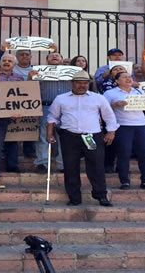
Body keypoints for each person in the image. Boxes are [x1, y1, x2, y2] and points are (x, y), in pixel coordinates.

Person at [46, 70, 116, 207]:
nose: (82, 85)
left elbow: (109, 116)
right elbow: (52, 117)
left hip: (92, 136)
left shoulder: (98, 98)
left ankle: (101, 195)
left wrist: (111, 132)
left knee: (97, 166)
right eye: (78, 82)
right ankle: (74, 198)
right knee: (70, 167)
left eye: (85, 83)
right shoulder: (61, 98)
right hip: (69, 136)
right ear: (72, 83)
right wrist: (49, 134)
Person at [104, 71, 145, 190]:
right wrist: (115, 104)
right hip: (123, 126)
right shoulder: (110, 93)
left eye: (130, 77)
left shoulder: (139, 91)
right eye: (124, 77)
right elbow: (104, 109)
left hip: (142, 125)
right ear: (117, 81)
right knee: (124, 154)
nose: (128, 79)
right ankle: (124, 181)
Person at [29, 51, 67, 174]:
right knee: (43, 135)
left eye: (57, 55)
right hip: (46, 106)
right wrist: (30, 77)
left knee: (65, 136)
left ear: (62, 60)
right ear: (47, 60)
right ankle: (42, 163)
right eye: (51, 55)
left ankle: (63, 164)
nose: (54, 56)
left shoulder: (71, 72)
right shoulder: (40, 71)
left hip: (66, 108)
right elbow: (29, 88)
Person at [0, 54, 26, 172]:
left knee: (12, 139)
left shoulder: (19, 78)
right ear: (0, 63)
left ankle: (12, 165)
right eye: (4, 60)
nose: (6, 62)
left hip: (13, 113)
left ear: (14, 64)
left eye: (9, 61)